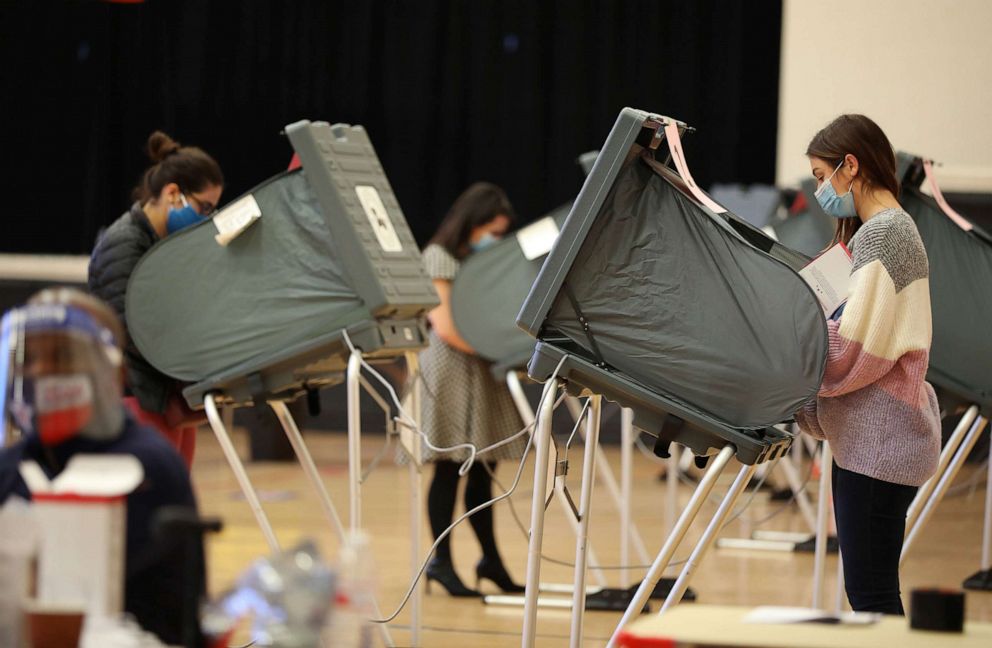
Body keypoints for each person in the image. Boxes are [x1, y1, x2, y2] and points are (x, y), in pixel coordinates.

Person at [795, 114, 941, 614]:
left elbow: (853, 352)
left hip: (879, 442)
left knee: (873, 596)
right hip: (875, 439)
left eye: (821, 177)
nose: (820, 191)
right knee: (872, 591)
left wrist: (797, 340)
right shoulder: (881, 232)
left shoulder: (884, 236)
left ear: (849, 166)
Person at [0, 288, 201, 645]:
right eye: (27, 358)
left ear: (109, 372)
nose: (41, 371)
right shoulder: (9, 468)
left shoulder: (149, 468)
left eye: (63, 355)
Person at [413, 182, 528, 597]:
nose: (494, 240)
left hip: (481, 368)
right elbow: (444, 326)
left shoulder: (482, 262)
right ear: (471, 223)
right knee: (448, 467)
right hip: (450, 369)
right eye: (491, 231)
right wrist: (502, 349)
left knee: (485, 467)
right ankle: (441, 563)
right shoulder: (438, 257)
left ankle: (490, 560)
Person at [88, 131, 224, 468]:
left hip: (166, 395)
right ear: (172, 193)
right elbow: (131, 328)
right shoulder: (123, 244)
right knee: (145, 507)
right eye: (204, 207)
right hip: (136, 397)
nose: (207, 218)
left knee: (172, 501)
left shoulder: (167, 245)